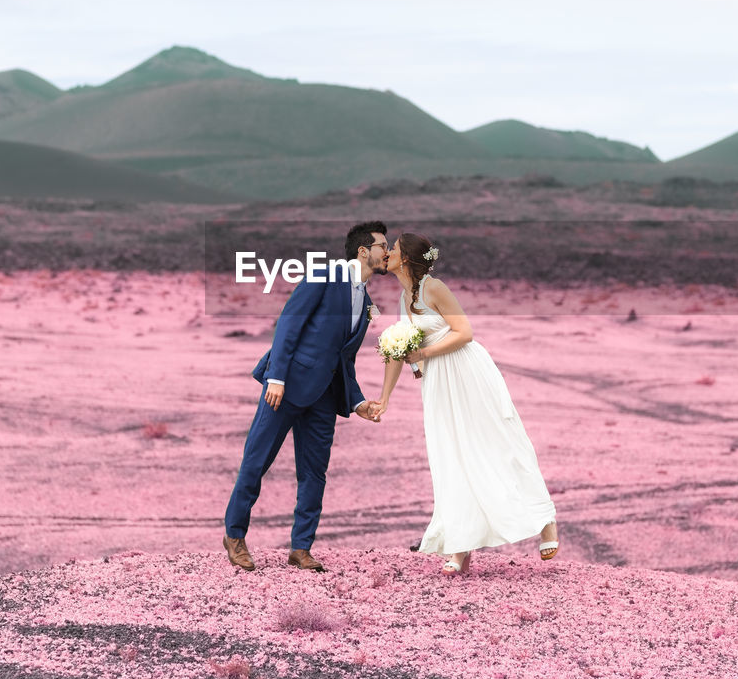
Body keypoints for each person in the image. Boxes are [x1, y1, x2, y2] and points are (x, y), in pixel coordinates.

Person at [372, 232, 559, 574]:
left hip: (467, 371)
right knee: (450, 455)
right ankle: (460, 545)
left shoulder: (434, 288)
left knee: (497, 443)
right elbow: (398, 352)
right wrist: (384, 399)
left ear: (408, 258)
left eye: (393, 249)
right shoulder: (403, 298)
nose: (387, 254)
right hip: (439, 383)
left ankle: (544, 518)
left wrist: (424, 353)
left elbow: (464, 333)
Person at [222, 222, 388, 572]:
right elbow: (289, 324)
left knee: (314, 473)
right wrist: (276, 376)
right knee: (257, 461)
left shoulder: (367, 302)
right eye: (382, 246)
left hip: (325, 397)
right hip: (285, 388)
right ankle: (235, 535)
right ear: (363, 251)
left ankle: (301, 548)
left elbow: (344, 359)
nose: (387, 252)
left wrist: (358, 403)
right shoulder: (325, 276)